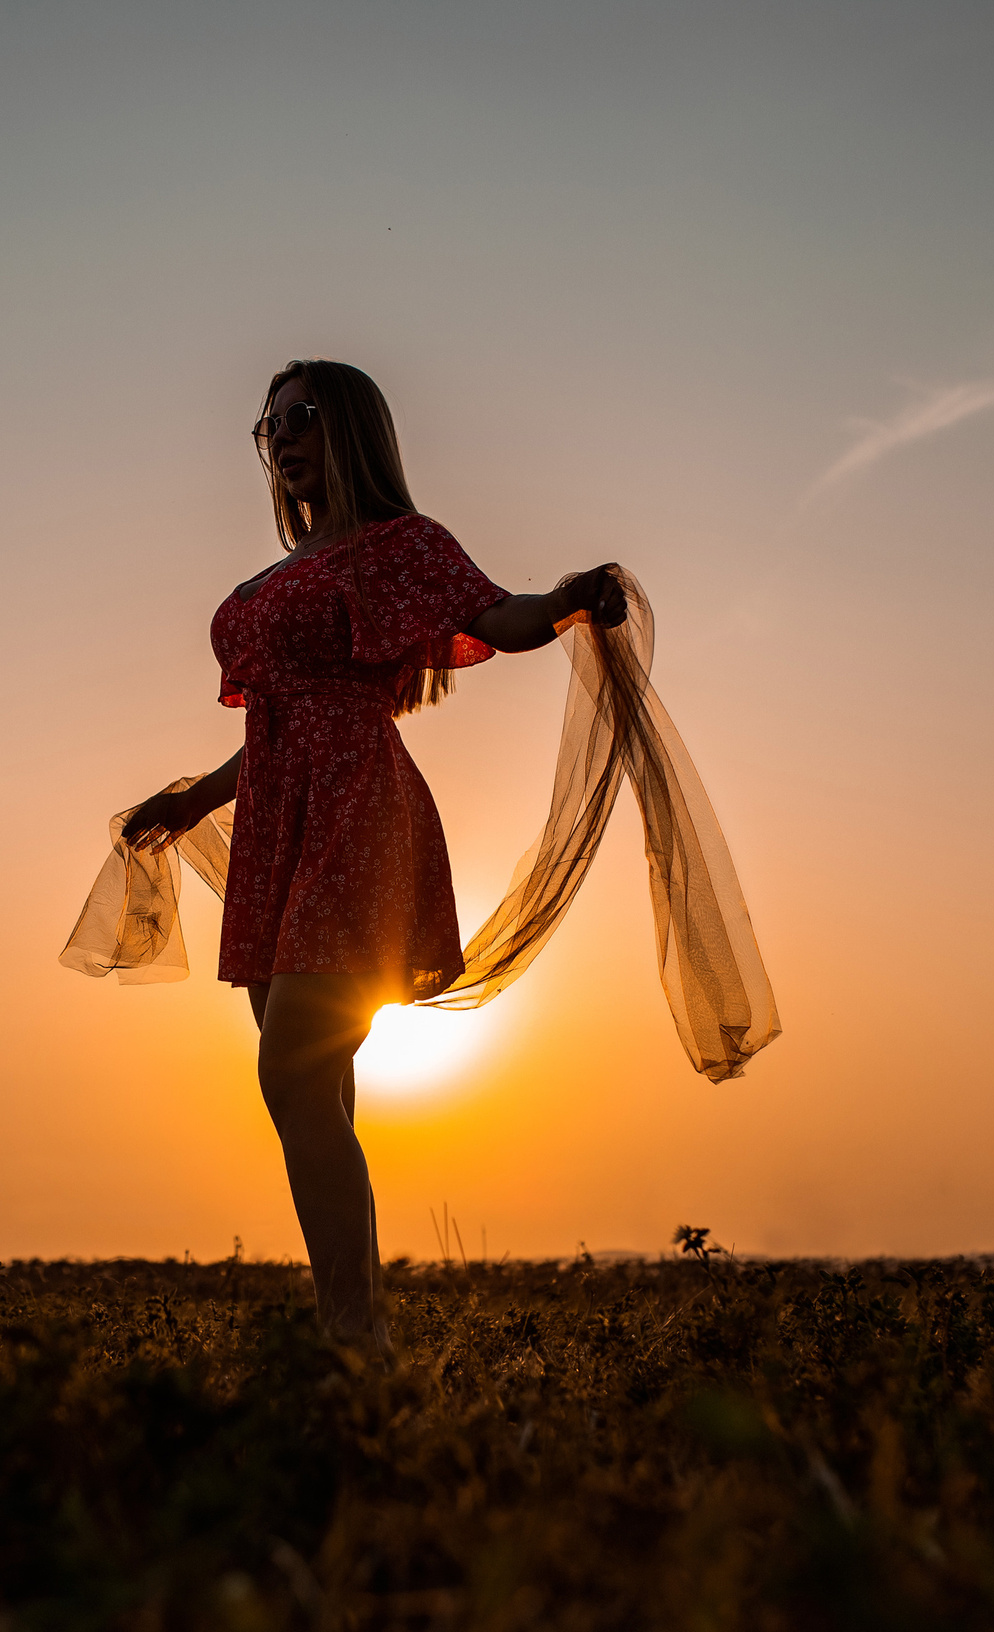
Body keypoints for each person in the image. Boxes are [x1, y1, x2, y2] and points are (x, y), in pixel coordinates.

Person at [115, 359, 627, 1350]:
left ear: (351, 425)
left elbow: (501, 617)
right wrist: (194, 799)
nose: (284, 438)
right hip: (277, 824)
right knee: (316, 1092)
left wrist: (564, 599)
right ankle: (349, 1333)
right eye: (268, 428)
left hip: (358, 813)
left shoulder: (402, 547)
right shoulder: (269, 581)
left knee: (294, 1074)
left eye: (302, 416)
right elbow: (274, 724)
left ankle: (354, 1340)